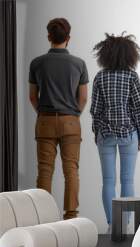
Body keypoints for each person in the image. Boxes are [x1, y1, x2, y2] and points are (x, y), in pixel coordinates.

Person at [29, 18, 88, 220]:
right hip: (71, 121)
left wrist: (42, 112)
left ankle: (43, 216)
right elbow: (83, 98)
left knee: (45, 170)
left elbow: (32, 96)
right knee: (71, 170)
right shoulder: (79, 64)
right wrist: (73, 114)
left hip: (45, 120)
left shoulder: (37, 63)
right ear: (68, 38)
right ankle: (71, 216)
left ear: (49, 37)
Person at [91, 33, 140, 227]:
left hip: (105, 134)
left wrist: (96, 132)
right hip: (128, 134)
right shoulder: (132, 76)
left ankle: (111, 224)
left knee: (108, 181)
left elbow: (95, 110)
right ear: (129, 55)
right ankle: (124, 225)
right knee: (127, 180)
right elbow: (138, 108)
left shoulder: (100, 77)